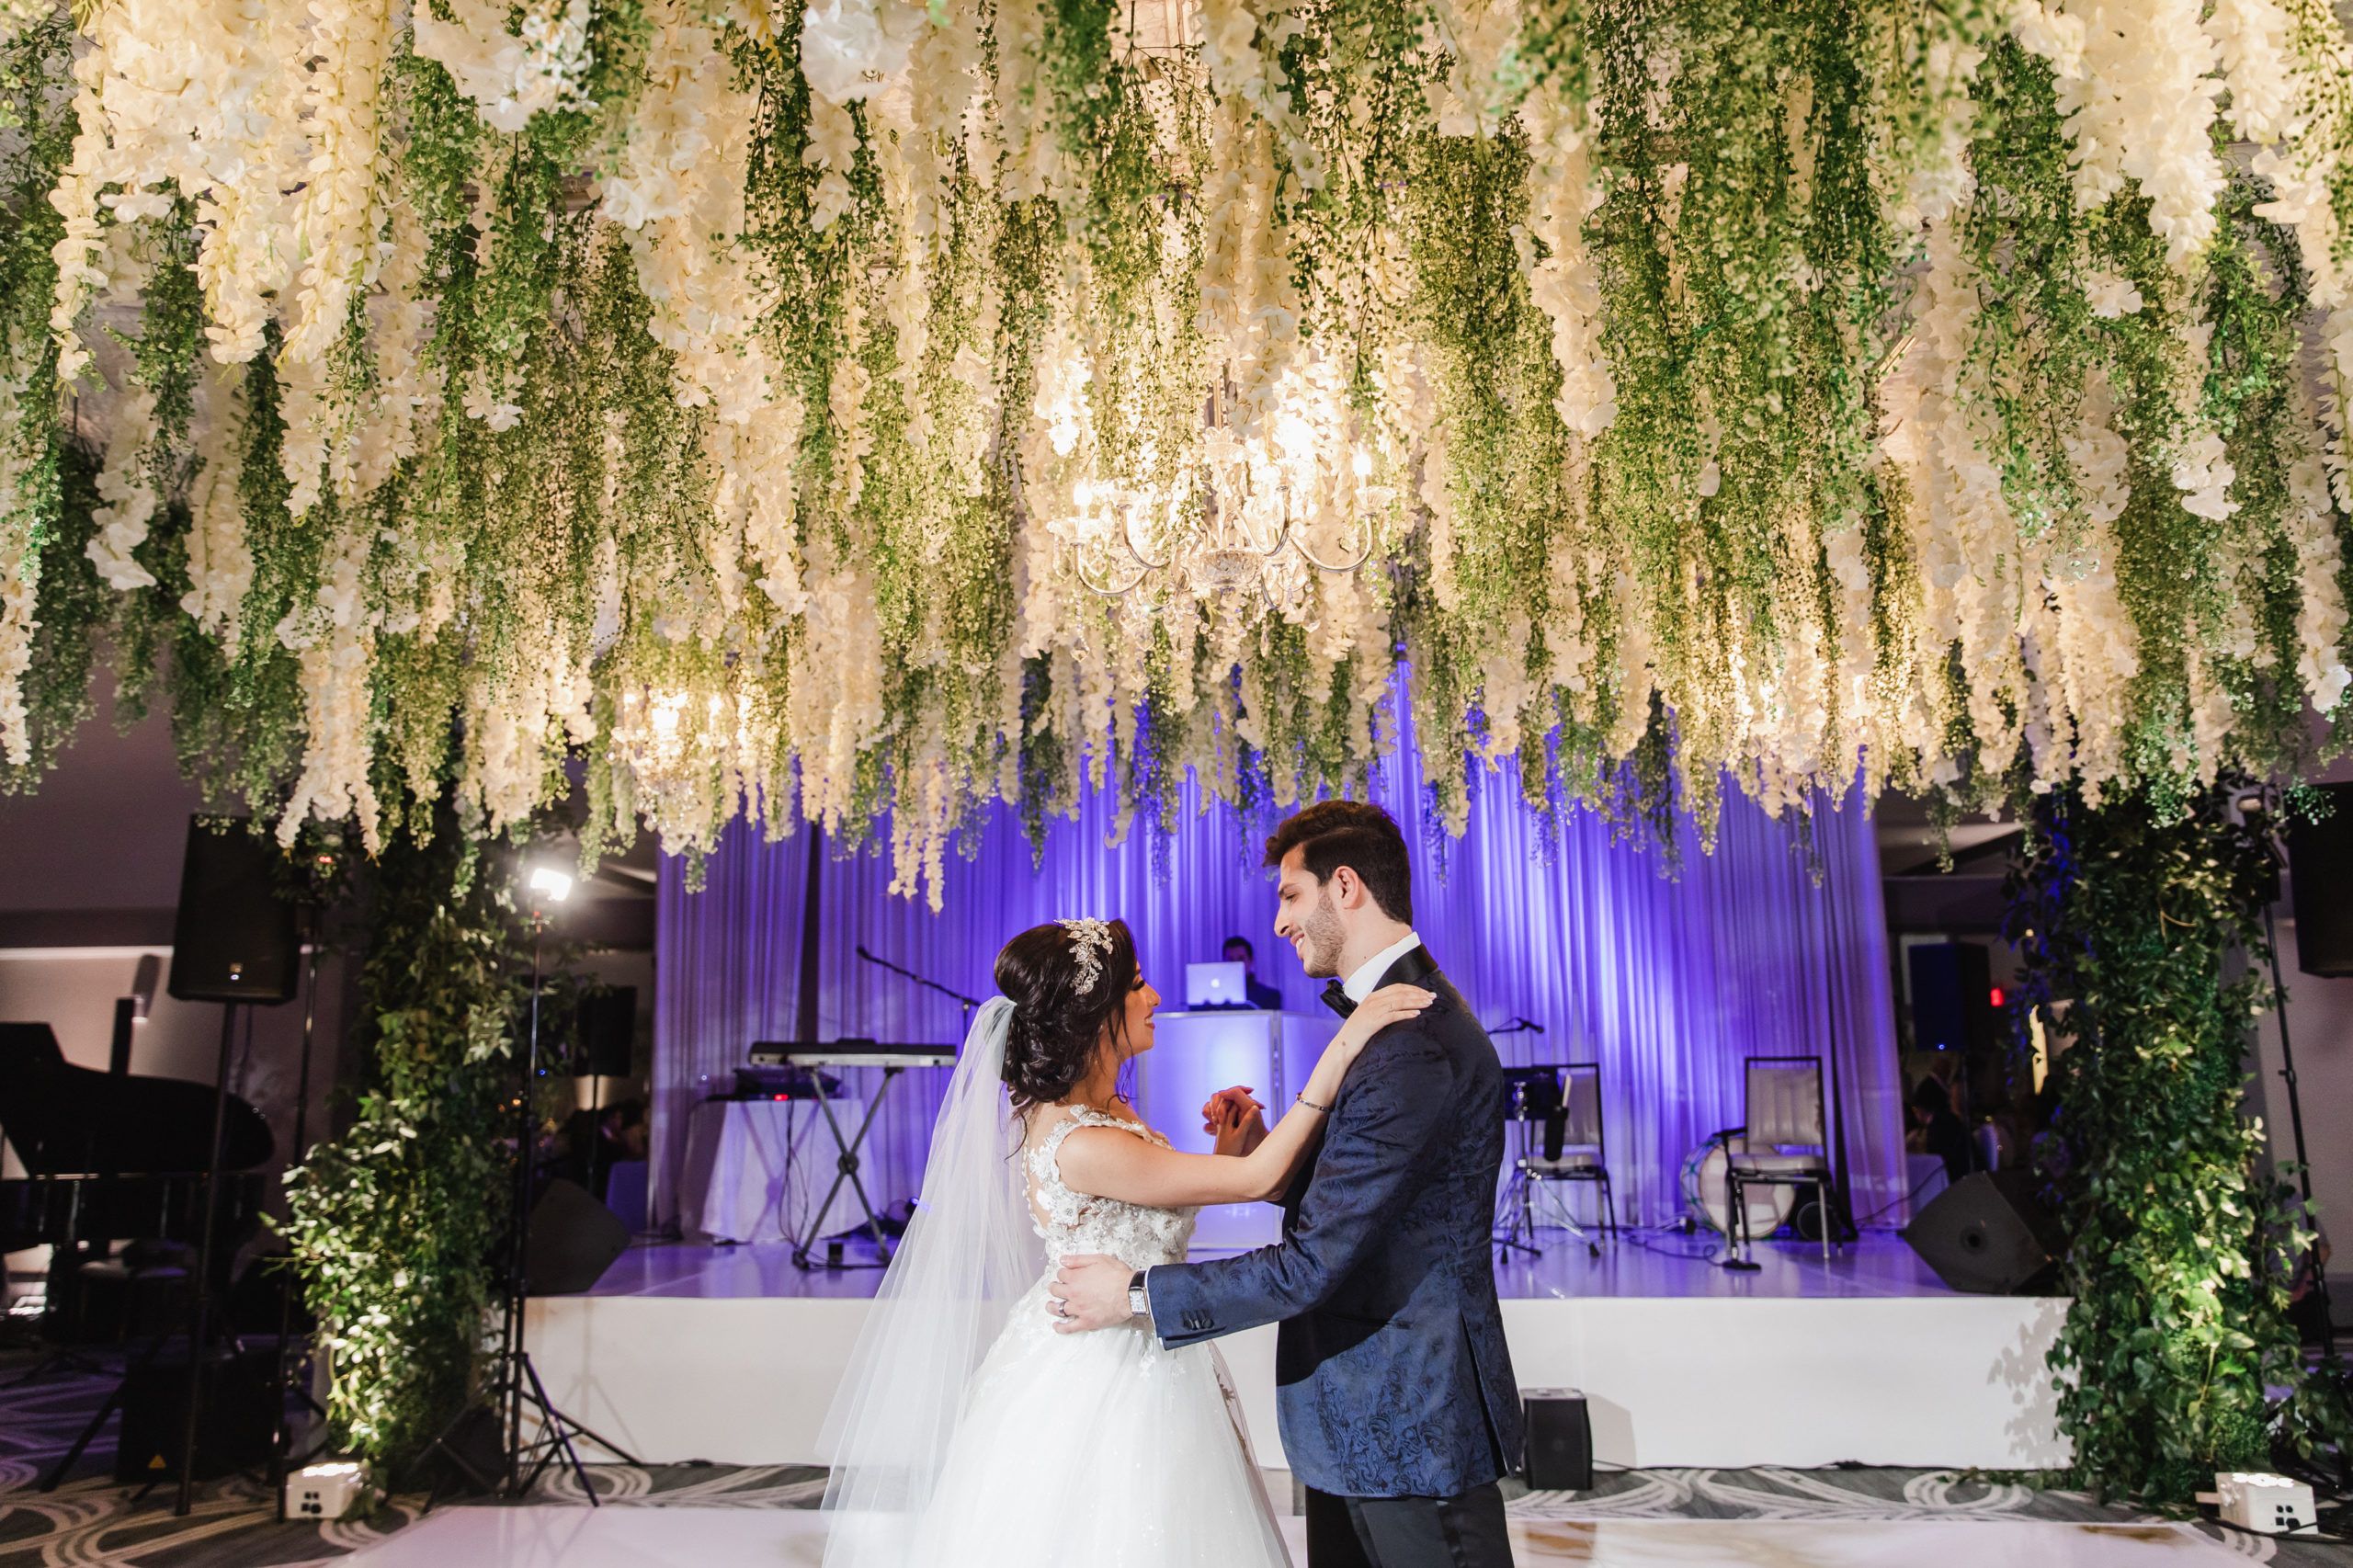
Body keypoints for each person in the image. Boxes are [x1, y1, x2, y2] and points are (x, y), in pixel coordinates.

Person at [816, 915, 1431, 1568]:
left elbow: (1168, 1205)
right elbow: (1260, 1178)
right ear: (1092, 1013)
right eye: (1137, 984)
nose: (1155, 997)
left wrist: (1223, 1149)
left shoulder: (1107, 1111)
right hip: (1107, 1366)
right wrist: (1340, 1052)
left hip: (1145, 1329)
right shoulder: (1083, 1141)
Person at [1052, 800, 1522, 1568]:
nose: (1278, 923)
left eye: (1290, 896)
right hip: (1364, 1418)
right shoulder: (1389, 1024)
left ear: (1345, 887)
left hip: (1409, 1421)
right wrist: (1262, 1156)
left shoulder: (1408, 1042)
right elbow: (1374, 1201)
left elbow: (1314, 1263)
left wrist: (1136, 1294)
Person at [1223, 935, 1287, 1010]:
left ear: (1251, 960)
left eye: (1241, 959)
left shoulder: (1269, 997)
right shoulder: (1214, 997)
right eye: (1231, 960)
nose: (1236, 964)